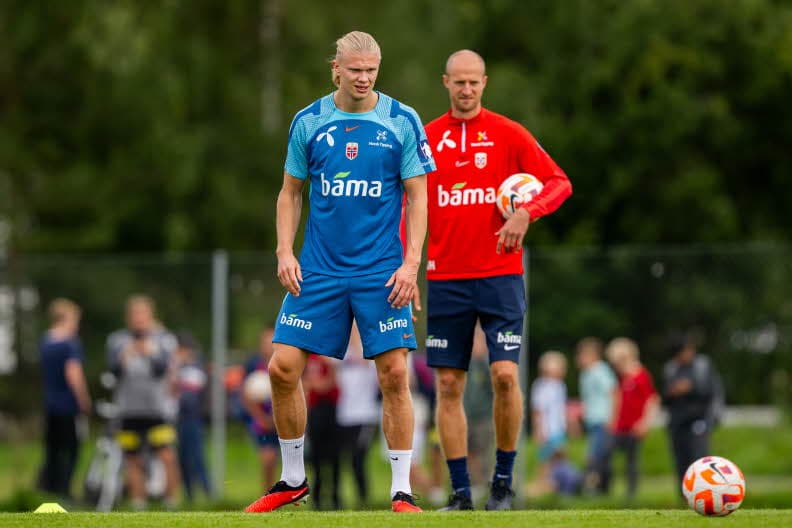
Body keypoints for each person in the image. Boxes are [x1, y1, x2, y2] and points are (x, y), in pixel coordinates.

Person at [243, 30, 433, 514]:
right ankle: (291, 480)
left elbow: (417, 197)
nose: (365, 77)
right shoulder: (309, 122)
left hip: (381, 271)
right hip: (320, 271)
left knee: (394, 374)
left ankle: (401, 491)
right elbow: (290, 193)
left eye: (372, 69)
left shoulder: (401, 120)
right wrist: (285, 251)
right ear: (336, 69)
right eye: (355, 69)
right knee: (282, 368)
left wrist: (411, 265)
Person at [424, 49, 572, 511]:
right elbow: (406, 205)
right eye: (458, 82)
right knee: (449, 386)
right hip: (445, 278)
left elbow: (559, 182)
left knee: (506, 376)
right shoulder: (425, 139)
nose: (466, 90)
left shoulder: (509, 134)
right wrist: (404, 265)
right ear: (445, 82)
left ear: (484, 82)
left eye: (474, 82)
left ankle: (503, 485)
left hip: (500, 276)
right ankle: (460, 494)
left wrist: (528, 211)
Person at [107, 294, 180, 509]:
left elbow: (163, 369)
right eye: (134, 315)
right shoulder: (117, 340)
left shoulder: (163, 338)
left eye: (142, 314)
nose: (138, 319)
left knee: (166, 454)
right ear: (128, 317)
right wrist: (124, 357)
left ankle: (171, 501)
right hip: (129, 409)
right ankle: (139, 502)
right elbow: (113, 371)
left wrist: (150, 353)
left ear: (150, 315)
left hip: (157, 409)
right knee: (132, 458)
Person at [38, 298, 91, 498]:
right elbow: (73, 374)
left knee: (52, 450)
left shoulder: (45, 342)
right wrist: (84, 400)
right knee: (72, 449)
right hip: (68, 405)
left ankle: (48, 490)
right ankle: (65, 491)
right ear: (66, 318)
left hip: (50, 404)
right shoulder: (70, 344)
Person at [662, 332, 724, 486]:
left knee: (700, 460)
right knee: (680, 462)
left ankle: (704, 491)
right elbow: (664, 398)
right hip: (677, 423)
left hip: (698, 420)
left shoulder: (702, 366)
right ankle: (684, 496)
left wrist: (691, 388)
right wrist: (673, 392)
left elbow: (712, 391)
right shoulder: (671, 368)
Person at [603, 337, 659, 499]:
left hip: (634, 428)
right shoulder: (622, 378)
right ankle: (605, 490)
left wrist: (644, 423)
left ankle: (631, 493)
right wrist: (612, 421)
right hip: (620, 427)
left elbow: (652, 400)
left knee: (631, 461)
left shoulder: (641, 375)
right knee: (606, 456)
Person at [336, 321, 380, 509]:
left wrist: (355, 328)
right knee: (339, 458)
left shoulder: (369, 351)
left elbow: (365, 360)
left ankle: (363, 499)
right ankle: (336, 499)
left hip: (365, 415)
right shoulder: (339, 352)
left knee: (357, 458)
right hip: (343, 414)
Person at [173, 333, 212, 502]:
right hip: (178, 418)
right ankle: (189, 494)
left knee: (196, 456)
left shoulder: (195, 368)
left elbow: (193, 389)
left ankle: (208, 492)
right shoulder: (176, 367)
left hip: (193, 418)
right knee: (182, 458)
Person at [575, 336, 617, 494]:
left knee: (595, 455)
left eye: (582, 355)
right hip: (592, 421)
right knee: (601, 456)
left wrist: (612, 418)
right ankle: (603, 490)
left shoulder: (600, 370)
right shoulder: (585, 374)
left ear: (593, 355)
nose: (579, 359)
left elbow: (613, 392)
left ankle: (594, 488)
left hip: (603, 420)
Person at [241, 327, 279, 492]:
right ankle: (268, 493)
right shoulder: (252, 365)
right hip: (262, 421)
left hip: (282, 420)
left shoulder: (285, 363)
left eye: (271, 342)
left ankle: (284, 493)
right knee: (268, 457)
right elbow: (245, 394)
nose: (268, 346)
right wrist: (262, 418)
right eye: (265, 342)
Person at [303, 353, 342, 510]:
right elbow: (306, 383)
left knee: (334, 457)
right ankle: (317, 499)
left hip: (333, 411)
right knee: (316, 458)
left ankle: (335, 498)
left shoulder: (332, 356)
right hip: (315, 412)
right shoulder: (309, 357)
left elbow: (332, 382)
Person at [529, 351, 568, 495]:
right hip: (547, 429)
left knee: (560, 455)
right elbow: (537, 410)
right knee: (544, 457)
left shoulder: (560, 386)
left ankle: (555, 482)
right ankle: (540, 482)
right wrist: (538, 429)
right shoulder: (541, 386)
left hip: (558, 428)